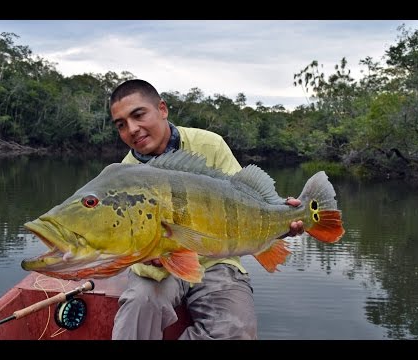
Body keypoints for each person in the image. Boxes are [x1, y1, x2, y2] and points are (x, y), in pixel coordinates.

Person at [109, 79, 303, 340]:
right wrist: (139, 253)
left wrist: (280, 214)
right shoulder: (125, 174)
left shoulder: (210, 145)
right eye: (121, 125)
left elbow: (246, 200)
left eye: (138, 114)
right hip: (160, 267)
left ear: (162, 109)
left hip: (217, 261)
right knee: (139, 305)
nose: (132, 129)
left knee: (237, 329)